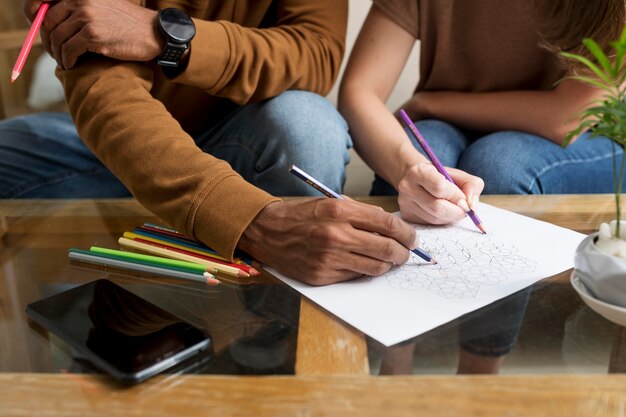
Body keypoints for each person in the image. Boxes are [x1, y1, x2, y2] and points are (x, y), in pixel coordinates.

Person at [0, 0, 426, 285]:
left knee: (306, 125)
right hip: (121, 136)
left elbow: (314, 54)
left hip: (245, 137)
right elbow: (104, 87)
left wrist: (168, 36)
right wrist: (251, 221)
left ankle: (279, 320)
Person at [338, 0, 626, 226]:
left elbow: (564, 118)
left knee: (501, 165)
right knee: (422, 153)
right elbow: (360, 90)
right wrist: (408, 168)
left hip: (587, 139)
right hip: (449, 126)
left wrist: (429, 103)